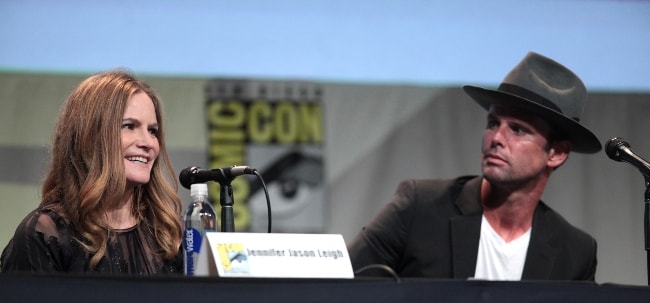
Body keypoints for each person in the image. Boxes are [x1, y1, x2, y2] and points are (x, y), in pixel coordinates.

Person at [348, 52, 602, 281]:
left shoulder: (576, 252)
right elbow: (339, 284)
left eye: (517, 129)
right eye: (493, 123)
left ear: (557, 153)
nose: (496, 138)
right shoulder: (419, 207)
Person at [0, 70, 184, 274]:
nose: (148, 143)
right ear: (91, 137)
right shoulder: (46, 235)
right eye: (129, 126)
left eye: (153, 131)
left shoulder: (168, 235)